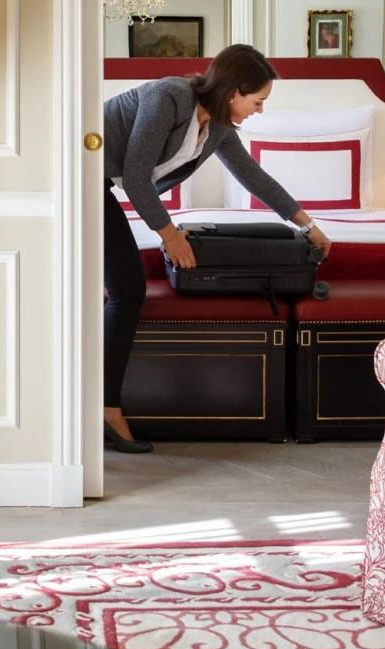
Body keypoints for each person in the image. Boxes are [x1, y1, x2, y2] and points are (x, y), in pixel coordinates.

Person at [101, 44, 333, 453]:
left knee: (124, 290)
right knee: (126, 291)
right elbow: (136, 177)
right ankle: (105, 411)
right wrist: (169, 234)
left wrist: (307, 225)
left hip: (96, 185)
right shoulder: (169, 97)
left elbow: (252, 177)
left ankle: (103, 409)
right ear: (233, 92)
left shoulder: (219, 128)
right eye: (258, 101)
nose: (259, 110)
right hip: (74, 174)